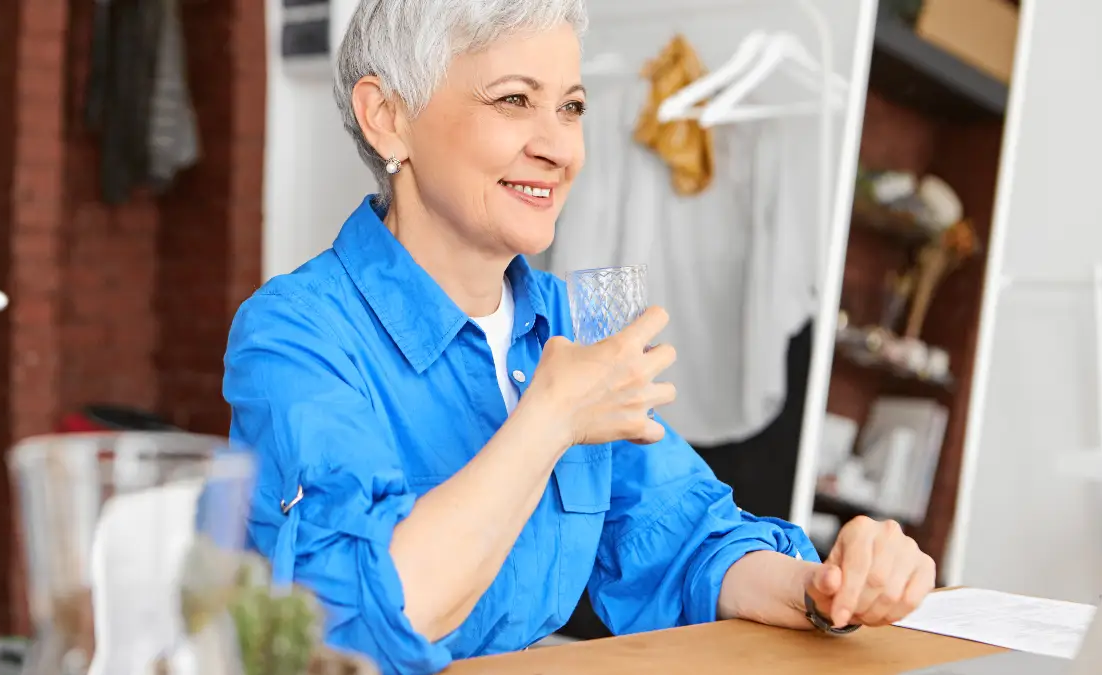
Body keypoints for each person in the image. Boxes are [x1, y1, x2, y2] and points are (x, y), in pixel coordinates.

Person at [222, 1, 935, 673]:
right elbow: (357, 624)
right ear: (387, 118)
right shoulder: (293, 336)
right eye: (513, 100)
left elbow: (685, 541)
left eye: (571, 107)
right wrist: (549, 419)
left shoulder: (565, 322)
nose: (560, 148)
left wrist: (829, 586)